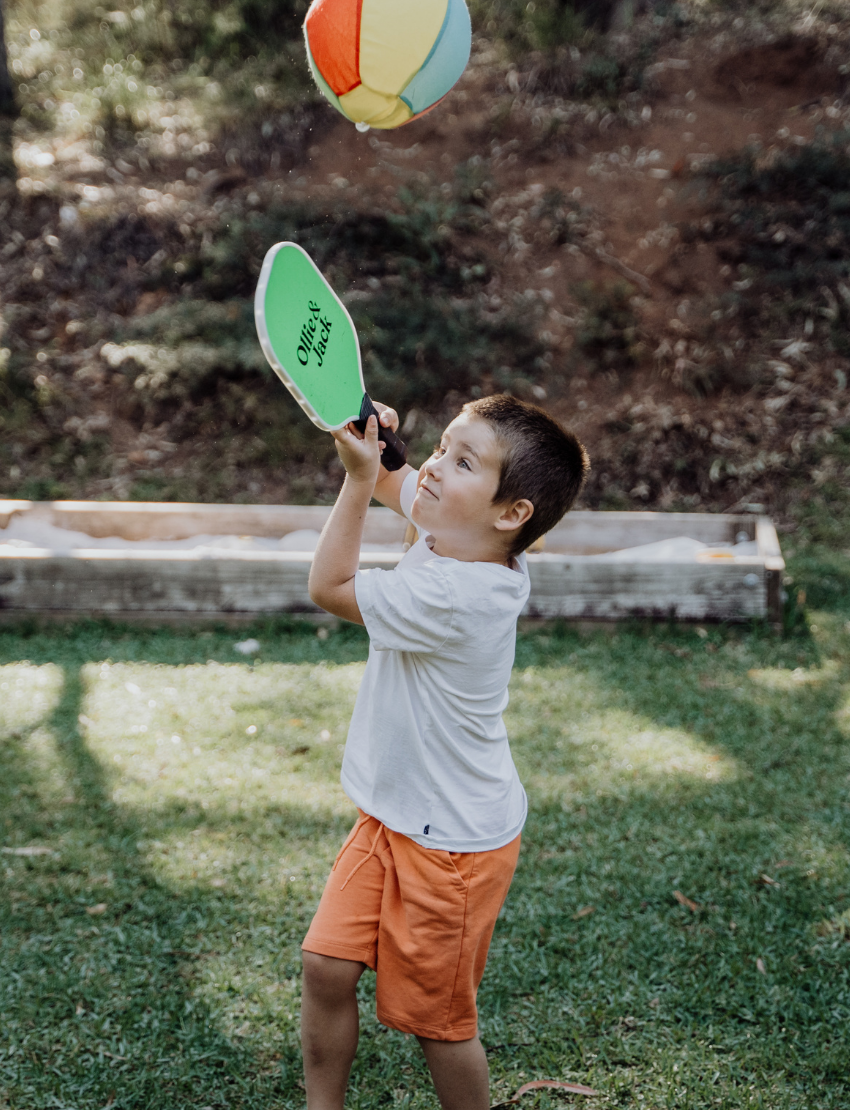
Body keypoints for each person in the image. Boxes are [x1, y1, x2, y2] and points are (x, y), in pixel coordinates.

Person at [301, 393, 589, 1110]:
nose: (433, 468)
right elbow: (413, 492)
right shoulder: (468, 539)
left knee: (439, 1025)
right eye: (441, 448)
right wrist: (384, 451)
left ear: (511, 513)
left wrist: (357, 479)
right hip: (393, 816)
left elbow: (328, 586)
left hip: (451, 844)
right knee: (324, 966)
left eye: (463, 462)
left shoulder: (460, 594)